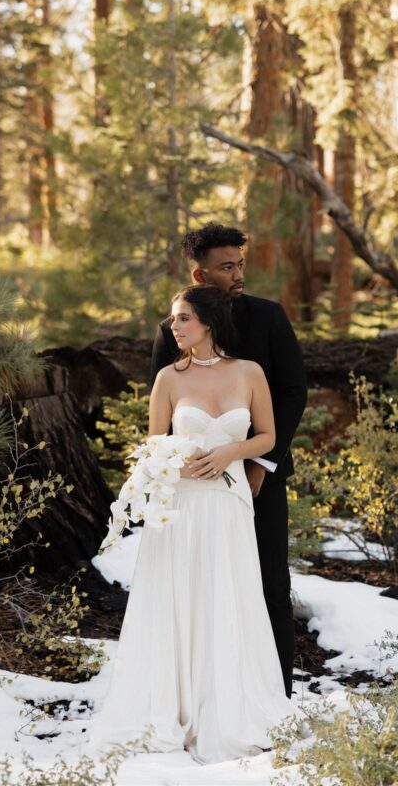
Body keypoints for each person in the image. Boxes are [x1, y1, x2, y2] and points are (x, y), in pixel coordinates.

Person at [96, 285, 294, 764]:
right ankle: (173, 706)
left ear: (207, 322)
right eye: (172, 319)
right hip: (179, 505)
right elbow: (154, 444)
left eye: (182, 318)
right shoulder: (167, 377)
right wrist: (171, 464)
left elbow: (267, 434)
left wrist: (230, 451)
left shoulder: (250, 372)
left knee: (226, 595)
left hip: (227, 502)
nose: (173, 327)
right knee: (178, 597)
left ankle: (227, 707)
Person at [150, 223, 307, 697]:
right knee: (197, 589)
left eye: (240, 264)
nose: (238, 274)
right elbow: (164, 411)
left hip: (262, 476)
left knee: (270, 585)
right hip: (195, 490)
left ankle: (275, 695)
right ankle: (201, 693)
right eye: (226, 267)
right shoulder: (172, 331)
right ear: (200, 275)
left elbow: (293, 392)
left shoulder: (270, 317)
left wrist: (261, 466)